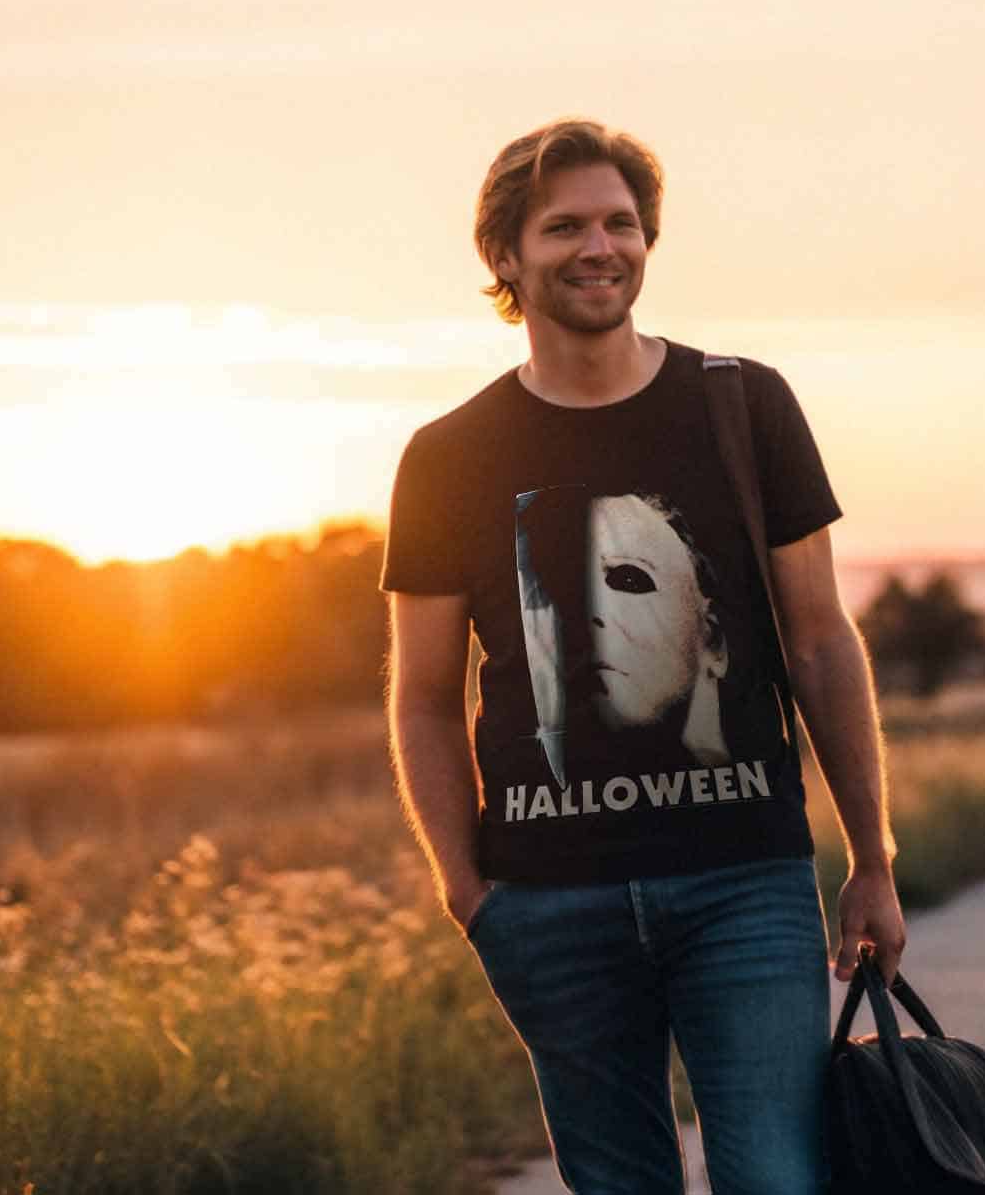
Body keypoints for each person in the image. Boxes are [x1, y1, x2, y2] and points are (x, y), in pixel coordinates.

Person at [382, 117, 905, 1194]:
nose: (600, 247)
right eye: (564, 226)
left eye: (621, 223)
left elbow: (819, 640)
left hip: (743, 881)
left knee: (776, 1178)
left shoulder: (744, 404)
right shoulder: (446, 457)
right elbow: (424, 697)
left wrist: (873, 858)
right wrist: (468, 892)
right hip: (548, 901)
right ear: (505, 255)